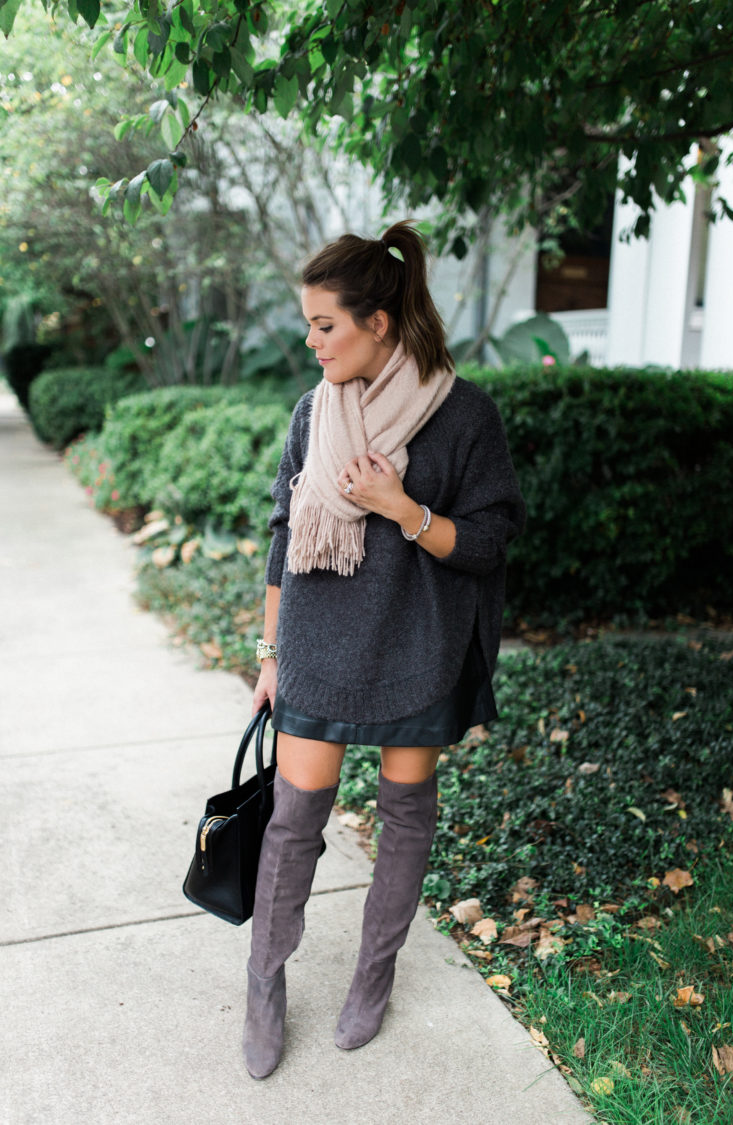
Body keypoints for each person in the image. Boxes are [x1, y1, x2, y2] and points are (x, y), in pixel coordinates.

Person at [245, 220, 525, 1079]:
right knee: (293, 820)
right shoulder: (312, 413)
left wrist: (401, 508)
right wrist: (267, 653)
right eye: (310, 324)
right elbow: (284, 533)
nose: (311, 340)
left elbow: (489, 541)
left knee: (405, 818)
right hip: (320, 641)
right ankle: (265, 981)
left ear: (379, 320)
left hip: (418, 641)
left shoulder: (464, 415)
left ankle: (374, 974)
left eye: (324, 324)